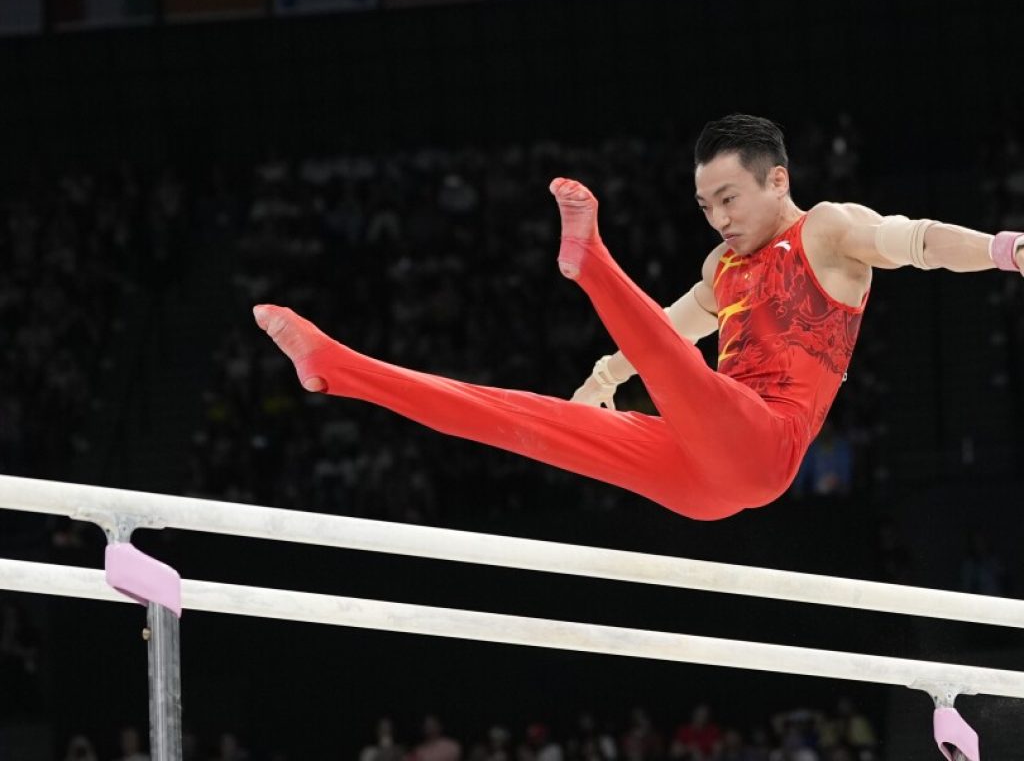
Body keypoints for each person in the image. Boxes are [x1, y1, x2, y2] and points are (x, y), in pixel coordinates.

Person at [253, 115, 1024, 521]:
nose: (717, 217)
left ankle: (593, 264)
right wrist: (601, 378)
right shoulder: (721, 271)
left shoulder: (826, 229)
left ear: (777, 179)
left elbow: (918, 242)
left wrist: (1002, 248)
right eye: (705, 205)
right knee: (522, 420)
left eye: (729, 199)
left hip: (766, 443)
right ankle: (339, 369)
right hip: (701, 475)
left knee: (680, 371)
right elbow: (665, 331)